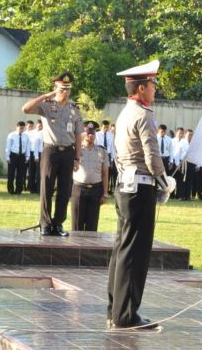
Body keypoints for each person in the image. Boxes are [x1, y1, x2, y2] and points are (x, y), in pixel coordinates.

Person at [107, 60, 174, 330]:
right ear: (142, 88)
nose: (155, 90)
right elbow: (152, 155)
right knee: (135, 253)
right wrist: (165, 183)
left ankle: (115, 312)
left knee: (122, 249)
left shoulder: (124, 113)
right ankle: (126, 316)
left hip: (125, 186)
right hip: (141, 187)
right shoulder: (144, 115)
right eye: (153, 86)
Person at [22, 72, 83, 236]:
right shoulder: (48, 105)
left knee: (65, 190)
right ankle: (46, 223)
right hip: (51, 151)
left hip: (68, 152)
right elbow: (26, 109)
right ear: (55, 89)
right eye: (62, 89)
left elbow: (78, 135)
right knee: (46, 187)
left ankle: (58, 223)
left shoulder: (75, 110)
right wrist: (46, 95)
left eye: (68, 89)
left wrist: (77, 157)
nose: (65, 92)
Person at [71, 121, 109, 231]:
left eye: (93, 133)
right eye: (88, 133)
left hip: (95, 190)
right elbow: (71, 142)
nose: (90, 136)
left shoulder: (102, 151)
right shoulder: (76, 150)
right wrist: (80, 137)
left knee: (92, 225)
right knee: (77, 224)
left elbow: (105, 173)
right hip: (79, 189)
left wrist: (105, 193)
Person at [5, 121, 30, 194]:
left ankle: (19, 190)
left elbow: (27, 147)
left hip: (22, 156)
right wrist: (7, 157)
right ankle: (10, 190)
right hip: (13, 155)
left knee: (20, 174)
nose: (21, 129)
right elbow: (8, 147)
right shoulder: (11, 135)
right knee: (11, 174)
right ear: (16, 127)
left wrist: (27, 157)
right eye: (20, 128)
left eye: (22, 128)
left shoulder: (26, 136)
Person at [96, 120, 116, 194]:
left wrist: (112, 159)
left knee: (107, 173)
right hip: (99, 155)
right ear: (101, 126)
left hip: (108, 155)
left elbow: (112, 148)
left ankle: (105, 191)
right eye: (104, 127)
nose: (106, 129)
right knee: (99, 173)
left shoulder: (111, 135)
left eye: (107, 127)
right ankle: (98, 189)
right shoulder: (97, 134)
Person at [26, 120, 44, 194]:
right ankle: (31, 188)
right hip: (31, 152)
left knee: (39, 172)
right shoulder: (31, 132)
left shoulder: (44, 132)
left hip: (40, 153)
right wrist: (28, 155)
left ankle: (38, 189)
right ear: (36, 125)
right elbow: (28, 144)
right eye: (39, 125)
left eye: (41, 125)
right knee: (31, 172)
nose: (39, 127)